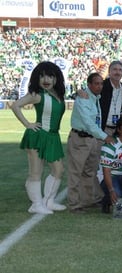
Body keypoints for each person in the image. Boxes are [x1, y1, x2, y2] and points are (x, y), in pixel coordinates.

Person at [11, 61, 66, 214]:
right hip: (38, 136)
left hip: (53, 137)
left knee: (59, 169)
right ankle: (36, 204)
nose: (45, 80)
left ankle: (48, 201)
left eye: (50, 76)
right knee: (36, 171)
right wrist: (28, 124)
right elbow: (15, 105)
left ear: (56, 78)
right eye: (41, 76)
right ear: (37, 78)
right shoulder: (36, 95)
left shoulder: (57, 94)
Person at [67, 73, 114, 213]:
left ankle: (88, 200)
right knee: (75, 172)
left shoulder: (95, 97)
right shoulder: (83, 99)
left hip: (92, 139)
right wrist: (105, 136)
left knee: (90, 171)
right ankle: (74, 204)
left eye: (101, 84)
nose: (99, 86)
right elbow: (88, 123)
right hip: (80, 138)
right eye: (96, 83)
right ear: (89, 84)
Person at [100, 60, 122, 136]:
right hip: (102, 129)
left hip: (118, 130)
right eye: (115, 69)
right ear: (109, 71)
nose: (117, 72)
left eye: (120, 70)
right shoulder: (101, 86)